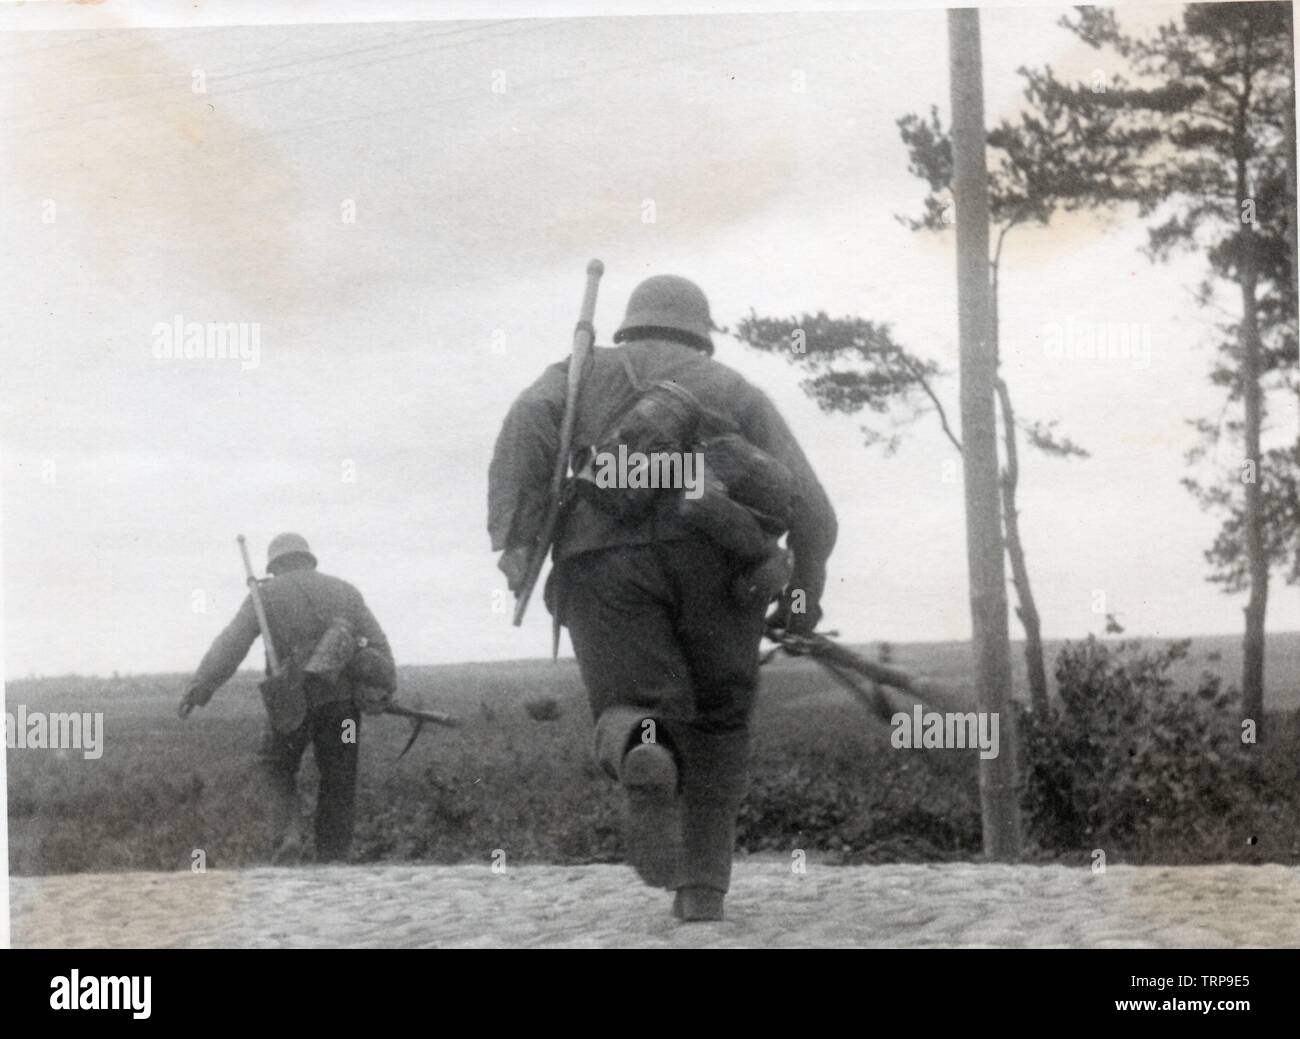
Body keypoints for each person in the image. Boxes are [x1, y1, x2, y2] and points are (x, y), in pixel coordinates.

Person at [489, 274, 837, 920]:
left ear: (631, 323)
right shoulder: (735, 389)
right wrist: (802, 594)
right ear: (700, 333)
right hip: (719, 560)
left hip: (601, 565)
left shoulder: (575, 375)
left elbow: (526, 426)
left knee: (634, 703)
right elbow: (810, 505)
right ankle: (702, 890)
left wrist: (515, 540)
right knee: (721, 719)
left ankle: (641, 747)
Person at [178, 533, 395, 863]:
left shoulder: (264, 595)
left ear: (274, 565)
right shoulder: (346, 591)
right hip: (343, 710)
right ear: (309, 559)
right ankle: (334, 862)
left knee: (275, 766)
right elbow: (379, 646)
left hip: (292, 703)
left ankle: (288, 838)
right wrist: (385, 690)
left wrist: (201, 686)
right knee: (340, 777)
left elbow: (232, 644)